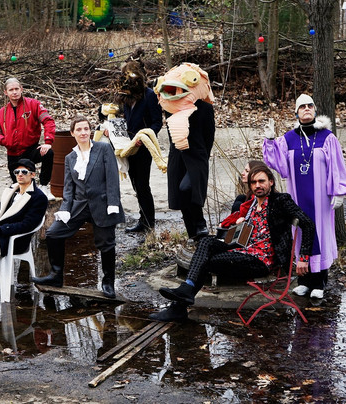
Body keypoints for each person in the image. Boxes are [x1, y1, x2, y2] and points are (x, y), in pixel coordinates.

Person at [149, 165, 315, 322]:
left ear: (271, 182)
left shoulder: (280, 201)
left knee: (205, 261)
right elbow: (240, 233)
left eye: (262, 181)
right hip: (242, 249)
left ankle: (179, 306)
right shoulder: (252, 204)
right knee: (206, 242)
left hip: (261, 260)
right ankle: (186, 291)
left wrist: (304, 257)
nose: (258, 185)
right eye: (253, 182)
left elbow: (307, 223)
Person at [263, 94, 346, 299]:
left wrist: (338, 191)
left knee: (319, 232)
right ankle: (304, 281)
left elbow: (337, 166)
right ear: (296, 112)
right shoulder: (289, 138)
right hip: (297, 196)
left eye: (309, 105)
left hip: (321, 199)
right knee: (300, 232)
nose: (306, 109)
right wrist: (270, 140)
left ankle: (320, 282)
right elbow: (278, 164)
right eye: (301, 106)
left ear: (315, 109)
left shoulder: (328, 137)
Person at [32, 116, 125, 298]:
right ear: (72, 133)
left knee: (106, 243)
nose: (83, 132)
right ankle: (56, 276)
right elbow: (69, 188)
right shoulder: (70, 157)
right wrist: (65, 209)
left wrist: (113, 203)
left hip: (102, 203)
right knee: (53, 233)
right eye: (79, 130)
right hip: (80, 205)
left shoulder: (104, 148)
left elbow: (112, 178)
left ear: (90, 131)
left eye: (86, 129)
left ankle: (108, 283)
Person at [154, 63, 215, 240]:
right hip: (177, 158)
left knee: (188, 188)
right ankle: (193, 234)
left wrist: (203, 156)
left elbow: (208, 136)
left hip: (196, 157)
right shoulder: (171, 109)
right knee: (180, 196)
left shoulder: (205, 109)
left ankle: (200, 223)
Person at [113, 52, 163, 233]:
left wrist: (146, 136)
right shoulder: (126, 97)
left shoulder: (149, 95)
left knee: (142, 185)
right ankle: (143, 218)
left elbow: (157, 122)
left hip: (143, 147)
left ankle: (148, 222)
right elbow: (120, 118)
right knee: (135, 184)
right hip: (127, 146)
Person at [0, 77, 56, 200]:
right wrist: (3, 141)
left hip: (30, 149)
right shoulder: (2, 112)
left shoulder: (34, 105)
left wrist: (48, 142)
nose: (14, 92)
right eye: (11, 90)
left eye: (17, 89)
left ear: (21, 89)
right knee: (18, 188)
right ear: (6, 92)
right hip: (13, 154)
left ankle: (43, 186)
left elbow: (48, 121)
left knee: (48, 153)